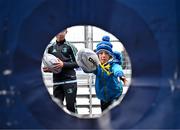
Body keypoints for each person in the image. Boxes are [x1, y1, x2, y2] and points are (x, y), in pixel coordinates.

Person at [43, 29, 79, 113]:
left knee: (71, 107)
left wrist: (64, 64)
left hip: (70, 81)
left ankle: (74, 125)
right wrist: (49, 69)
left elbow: (78, 63)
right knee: (57, 109)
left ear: (66, 32)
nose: (60, 32)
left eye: (63, 30)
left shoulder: (70, 46)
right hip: (57, 82)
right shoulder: (49, 48)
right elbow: (50, 65)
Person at [94, 36, 127, 112]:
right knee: (105, 115)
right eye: (101, 53)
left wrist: (120, 75)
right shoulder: (97, 66)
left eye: (106, 53)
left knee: (114, 116)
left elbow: (117, 69)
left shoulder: (113, 64)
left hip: (114, 95)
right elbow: (89, 69)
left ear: (110, 56)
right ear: (98, 55)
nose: (103, 55)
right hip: (103, 97)